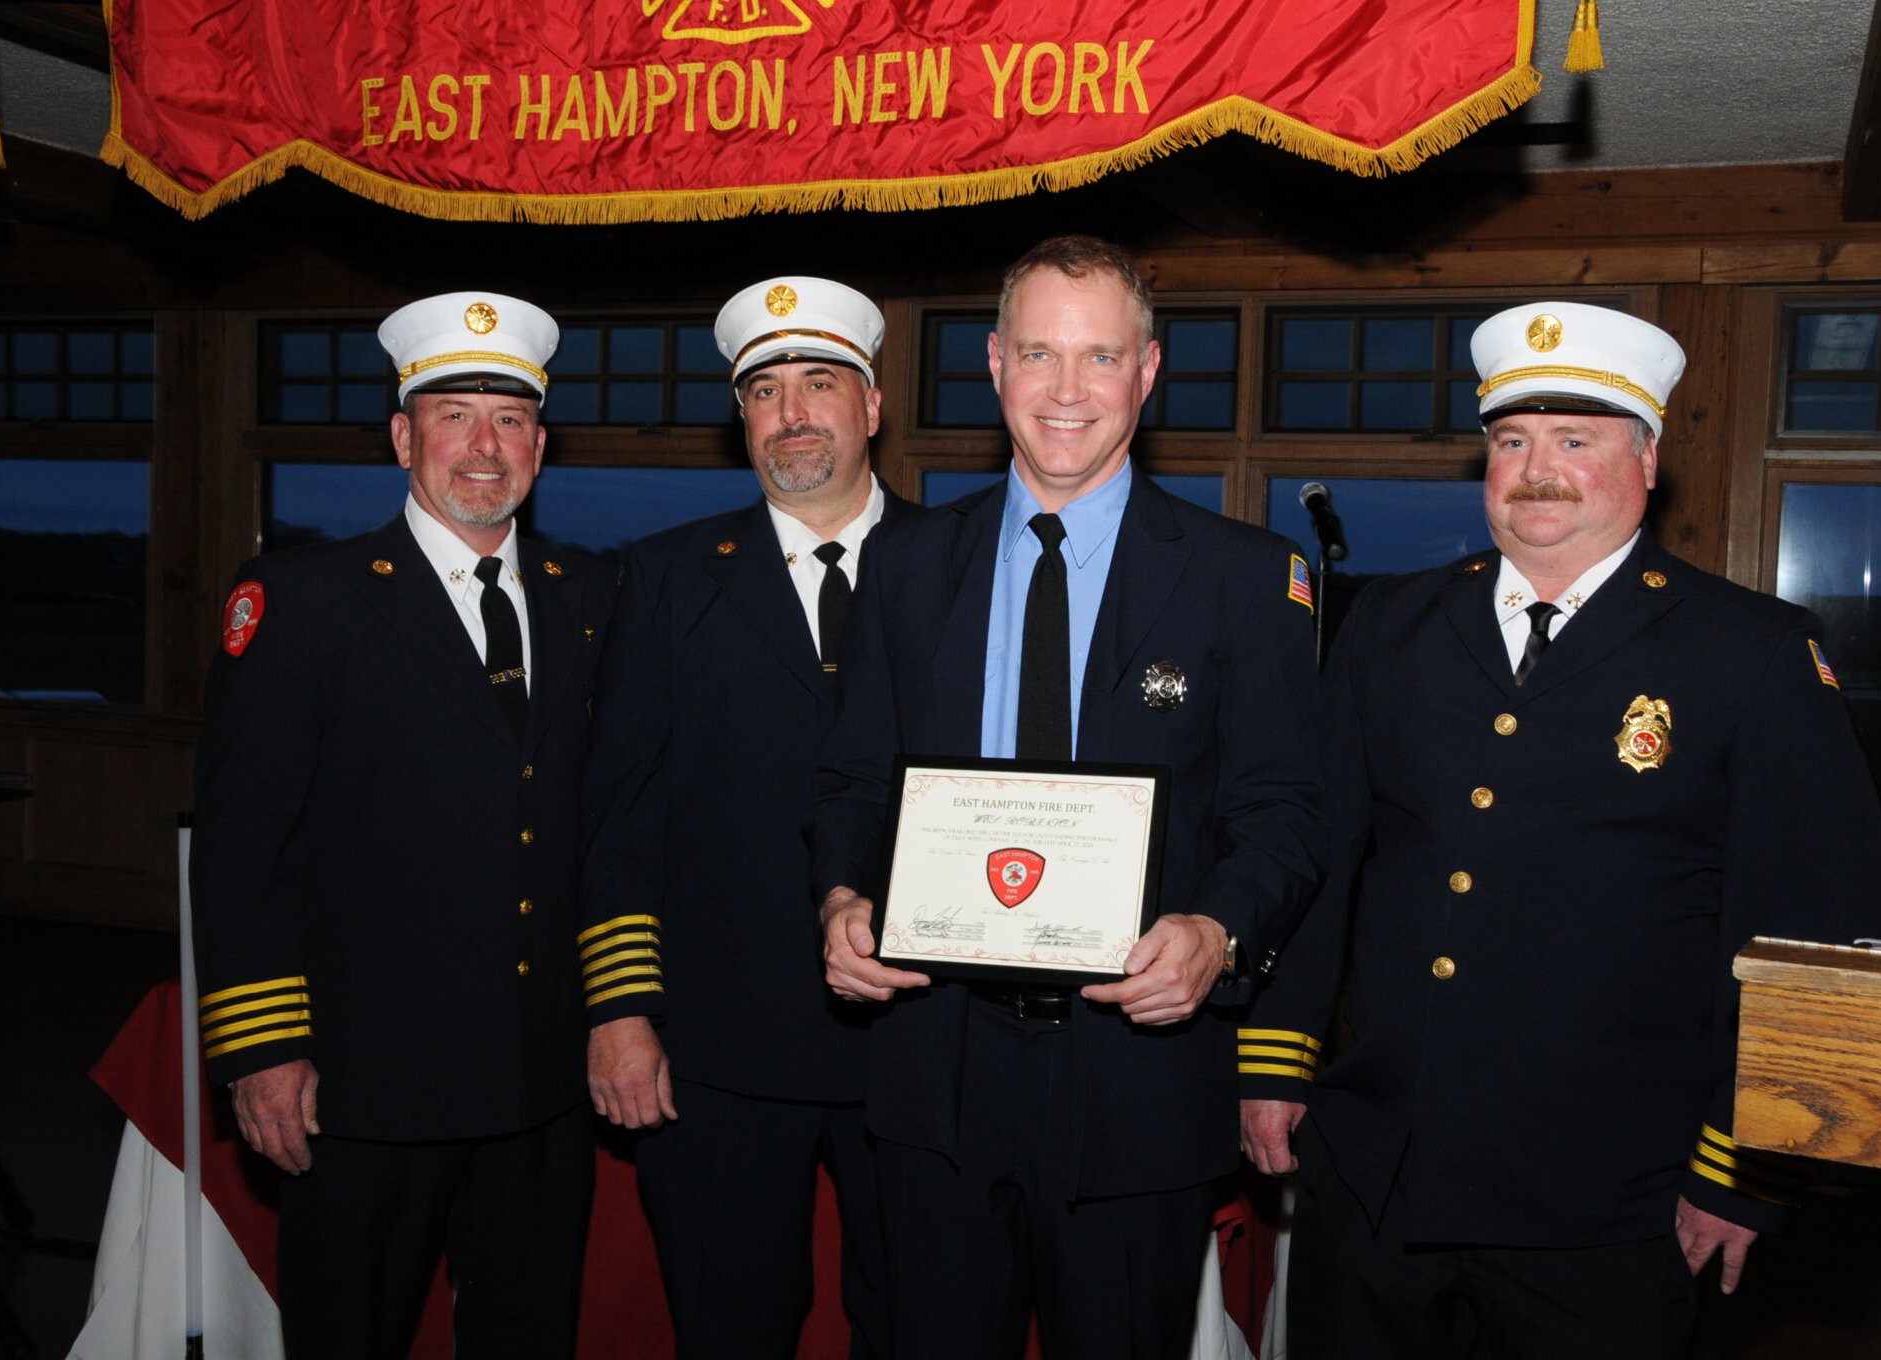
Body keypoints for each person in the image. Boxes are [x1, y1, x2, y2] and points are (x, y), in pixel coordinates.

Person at [1238, 301, 1881, 1358]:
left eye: (1573, 441)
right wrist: (1274, 1060)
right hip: (1378, 1174)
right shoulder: (1390, 628)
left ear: (1645, 459)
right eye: (1510, 441)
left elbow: (1813, 927)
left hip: (1606, 1197)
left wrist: (1742, 1164)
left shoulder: (1751, 653)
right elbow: (1323, 854)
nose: (1534, 469)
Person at [811, 235, 1326, 1360]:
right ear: (994, 365)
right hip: (935, 1071)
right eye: (1039, 354)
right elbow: (854, 776)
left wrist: (1216, 928)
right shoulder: (904, 566)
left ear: (1146, 373)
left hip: (1134, 1083)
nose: (1066, 391)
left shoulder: (1246, 577)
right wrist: (841, 898)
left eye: (1099, 359)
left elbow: (1286, 809)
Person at [190, 292, 612, 1358]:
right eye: (453, 414)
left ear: (540, 444)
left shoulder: (586, 600)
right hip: (363, 1088)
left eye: (509, 419)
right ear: (401, 435)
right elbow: (243, 847)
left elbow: (601, 822)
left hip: (540, 1085)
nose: (483, 445)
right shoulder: (304, 599)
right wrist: (262, 1046)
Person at [578, 275, 915, 1357]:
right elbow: (618, 810)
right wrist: (623, 1009)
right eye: (765, 391)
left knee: (924, 1320)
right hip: (720, 1046)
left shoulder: (962, 563)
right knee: (730, 1324)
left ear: (872, 405)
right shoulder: (664, 579)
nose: (793, 412)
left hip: (919, 1035)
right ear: (741, 418)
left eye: (820, 383)